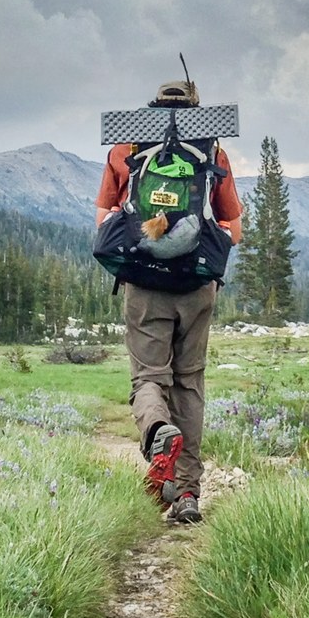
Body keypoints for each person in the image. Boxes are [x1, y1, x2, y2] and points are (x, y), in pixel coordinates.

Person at [94, 78, 243, 525]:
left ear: (153, 105)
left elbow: (104, 220)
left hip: (143, 283)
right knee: (189, 383)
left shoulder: (126, 148)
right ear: (194, 107)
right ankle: (188, 495)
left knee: (148, 379)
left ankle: (157, 430)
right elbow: (234, 227)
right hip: (196, 287)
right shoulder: (211, 152)